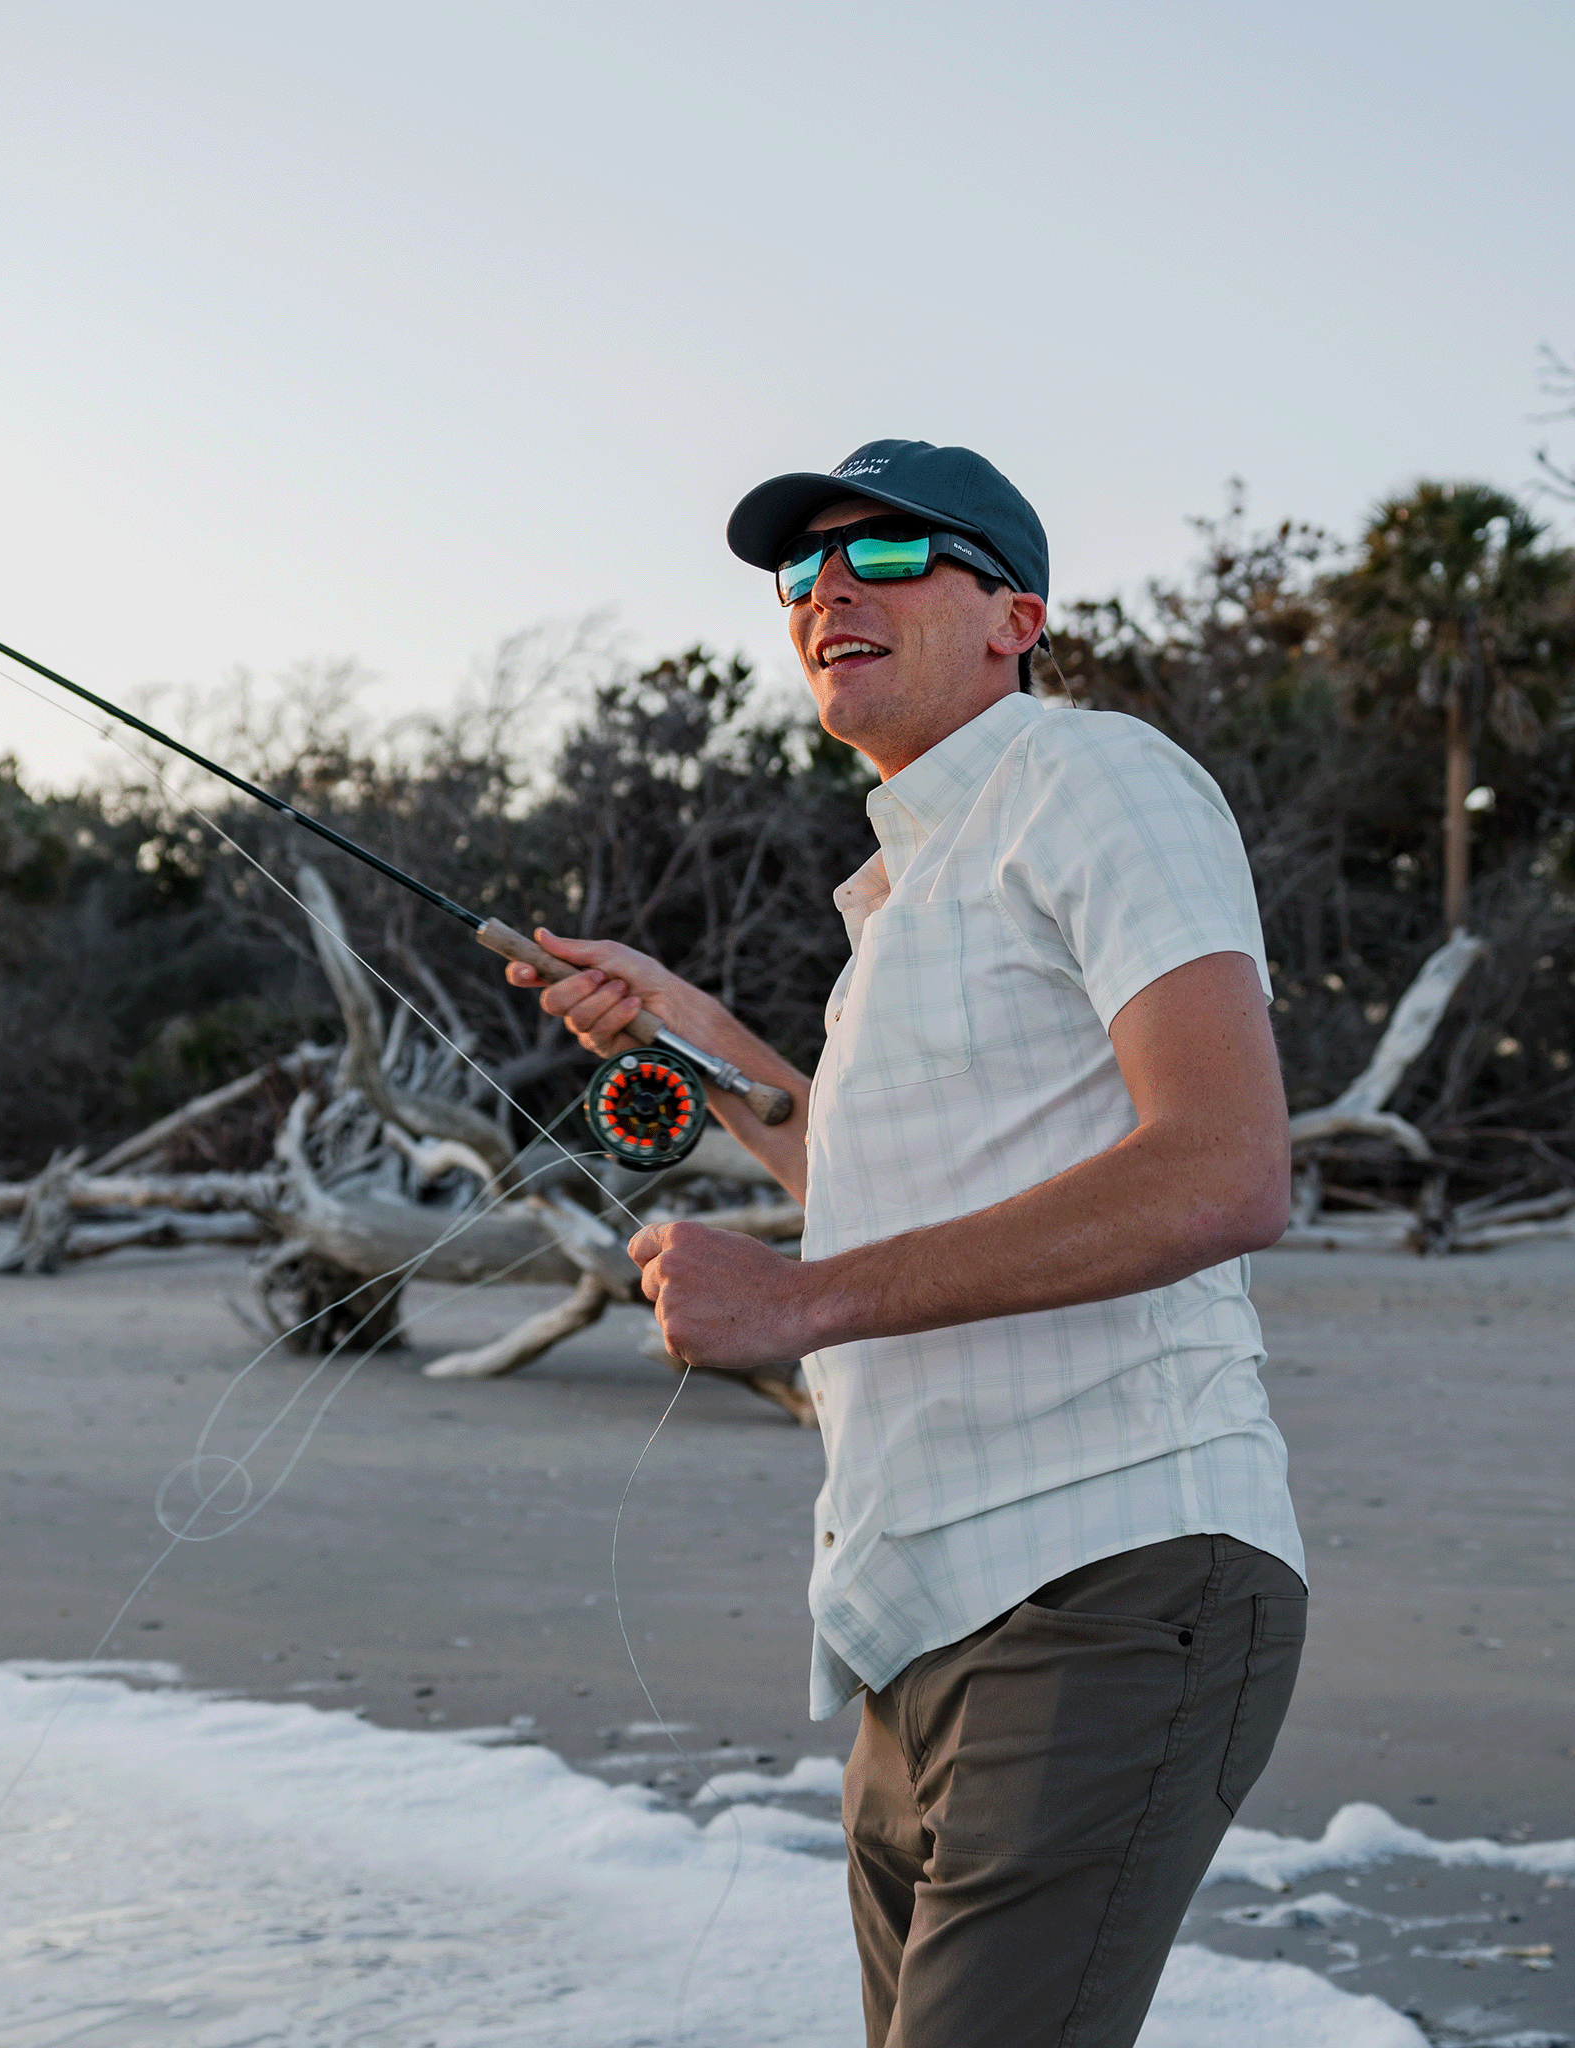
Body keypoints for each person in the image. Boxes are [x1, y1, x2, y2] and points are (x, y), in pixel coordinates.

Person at [508, 440, 1307, 2048]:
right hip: (911, 1618)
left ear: (1014, 612)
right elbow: (878, 1173)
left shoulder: (1097, 777)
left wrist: (796, 1302)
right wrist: (689, 1023)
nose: (825, 599)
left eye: (881, 559)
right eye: (800, 576)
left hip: (1109, 1575)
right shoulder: (901, 895)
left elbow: (1224, 1169)